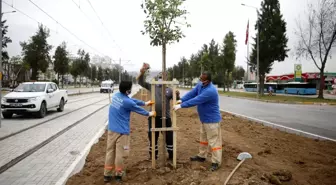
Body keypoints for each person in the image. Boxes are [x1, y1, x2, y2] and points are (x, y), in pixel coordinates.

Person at [104, 81, 156, 182]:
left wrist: (145, 103)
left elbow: (131, 100)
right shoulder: (127, 102)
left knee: (110, 151)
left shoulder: (116, 96)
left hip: (111, 129)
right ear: (128, 90)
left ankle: (107, 175)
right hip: (121, 132)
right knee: (120, 153)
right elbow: (136, 108)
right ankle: (118, 174)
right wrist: (150, 113)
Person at [173, 71, 222, 171]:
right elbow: (192, 93)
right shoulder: (201, 85)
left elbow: (196, 100)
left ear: (207, 81)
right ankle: (202, 156)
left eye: (202, 80)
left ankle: (216, 162)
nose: (200, 81)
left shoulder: (210, 91)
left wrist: (181, 105)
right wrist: (182, 99)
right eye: (200, 79)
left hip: (212, 120)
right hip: (204, 119)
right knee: (203, 139)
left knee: (214, 142)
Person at [137, 63, 180, 161]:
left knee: (169, 137)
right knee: (152, 137)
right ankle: (153, 156)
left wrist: (177, 95)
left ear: (166, 78)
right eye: (160, 76)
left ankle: (171, 155)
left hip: (166, 117)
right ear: (157, 77)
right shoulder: (152, 86)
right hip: (154, 117)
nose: (161, 79)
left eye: (163, 77)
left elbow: (176, 100)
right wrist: (142, 72)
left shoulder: (169, 89)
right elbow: (140, 81)